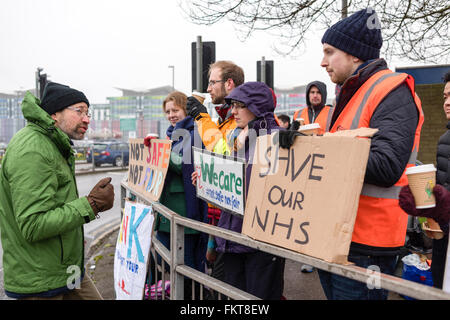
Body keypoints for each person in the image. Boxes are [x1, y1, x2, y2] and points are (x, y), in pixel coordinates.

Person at [279, 8, 424, 300]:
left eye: (329, 52)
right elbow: (343, 155)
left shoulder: (391, 91)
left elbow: (386, 166)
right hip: (338, 235)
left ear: (355, 54)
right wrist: (300, 144)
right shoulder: (351, 93)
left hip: (369, 242)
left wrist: (316, 149)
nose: (323, 62)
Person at [0, 82, 115, 300]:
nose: (87, 119)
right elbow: (33, 224)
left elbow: (54, 207)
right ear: (54, 114)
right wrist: (90, 204)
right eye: (79, 111)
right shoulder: (33, 149)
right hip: (41, 280)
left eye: (88, 112)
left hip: (66, 270)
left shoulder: (52, 144)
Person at [211, 81, 285, 299]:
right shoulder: (237, 136)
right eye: (232, 105)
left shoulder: (278, 137)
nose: (233, 111)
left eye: (238, 105)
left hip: (261, 241)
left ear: (256, 106)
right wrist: (208, 181)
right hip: (233, 236)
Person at [186, 61, 244, 286]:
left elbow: (224, 151)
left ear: (229, 83)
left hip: (236, 222)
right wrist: (206, 175)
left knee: (226, 286)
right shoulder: (224, 117)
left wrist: (201, 118)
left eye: (212, 82)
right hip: (223, 217)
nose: (208, 89)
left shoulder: (240, 119)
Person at [150, 91, 208, 298]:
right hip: (171, 209)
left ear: (185, 109)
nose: (171, 115)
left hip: (184, 208)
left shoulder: (193, 132)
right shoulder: (174, 134)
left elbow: (186, 164)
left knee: (187, 266)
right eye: (167, 111)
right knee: (167, 261)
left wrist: (161, 150)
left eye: (175, 110)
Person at [399, 70, 450, 289]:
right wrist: (423, 198)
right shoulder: (444, 139)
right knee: (439, 284)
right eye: (445, 97)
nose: (447, 103)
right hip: (444, 235)